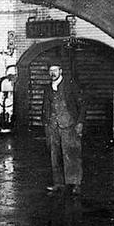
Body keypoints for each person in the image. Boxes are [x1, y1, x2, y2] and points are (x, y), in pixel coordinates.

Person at [41, 64, 85, 195]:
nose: (52, 73)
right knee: (54, 155)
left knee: (72, 154)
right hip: (52, 126)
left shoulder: (71, 85)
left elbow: (82, 105)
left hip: (69, 125)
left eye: (55, 70)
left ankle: (75, 184)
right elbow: (45, 106)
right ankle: (58, 183)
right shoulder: (48, 88)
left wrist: (80, 122)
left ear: (60, 71)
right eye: (50, 71)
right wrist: (46, 124)